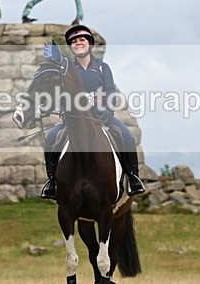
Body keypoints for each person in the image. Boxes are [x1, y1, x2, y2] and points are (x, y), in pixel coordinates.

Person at [38, 25, 145, 200]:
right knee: (51, 138)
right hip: (75, 119)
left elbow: (110, 90)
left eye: (81, 39)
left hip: (102, 117)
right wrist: (65, 111)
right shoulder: (67, 70)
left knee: (126, 136)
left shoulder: (103, 67)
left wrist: (108, 111)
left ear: (89, 44)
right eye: (73, 41)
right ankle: (52, 182)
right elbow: (62, 93)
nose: (78, 43)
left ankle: (133, 177)